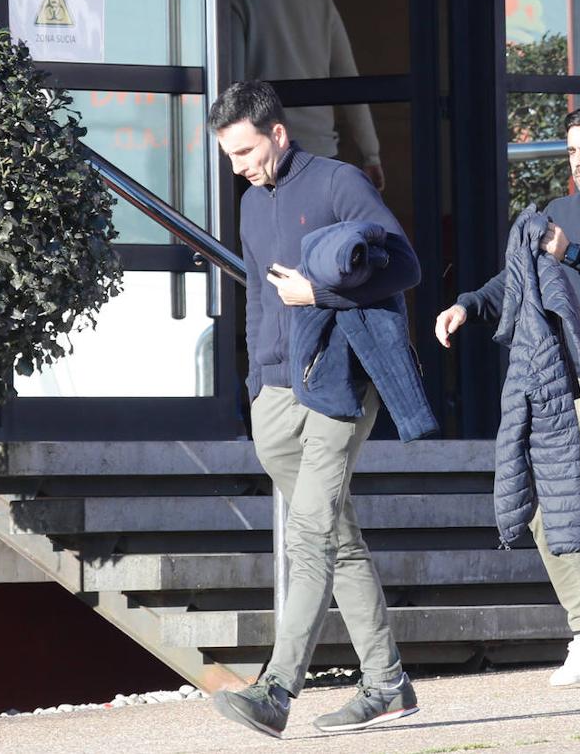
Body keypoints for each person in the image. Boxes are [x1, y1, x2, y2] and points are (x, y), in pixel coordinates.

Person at [207, 80, 421, 738]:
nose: (239, 166)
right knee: (335, 537)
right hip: (273, 394)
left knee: (306, 537)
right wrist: (252, 383)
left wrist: (320, 290)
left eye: (245, 151)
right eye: (229, 157)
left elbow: (405, 267)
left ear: (277, 133)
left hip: (338, 386)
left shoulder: (339, 183)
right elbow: (256, 305)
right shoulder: (248, 205)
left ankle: (275, 691)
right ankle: (387, 683)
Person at [435, 102, 580, 686]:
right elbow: (513, 278)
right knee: (542, 508)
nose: (579, 162)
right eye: (571, 151)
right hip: (559, 389)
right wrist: (467, 304)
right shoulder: (553, 213)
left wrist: (570, 252)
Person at [229, 0, 385, 190]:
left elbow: (234, 90)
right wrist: (371, 154)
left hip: (264, 153)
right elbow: (349, 80)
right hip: (321, 152)